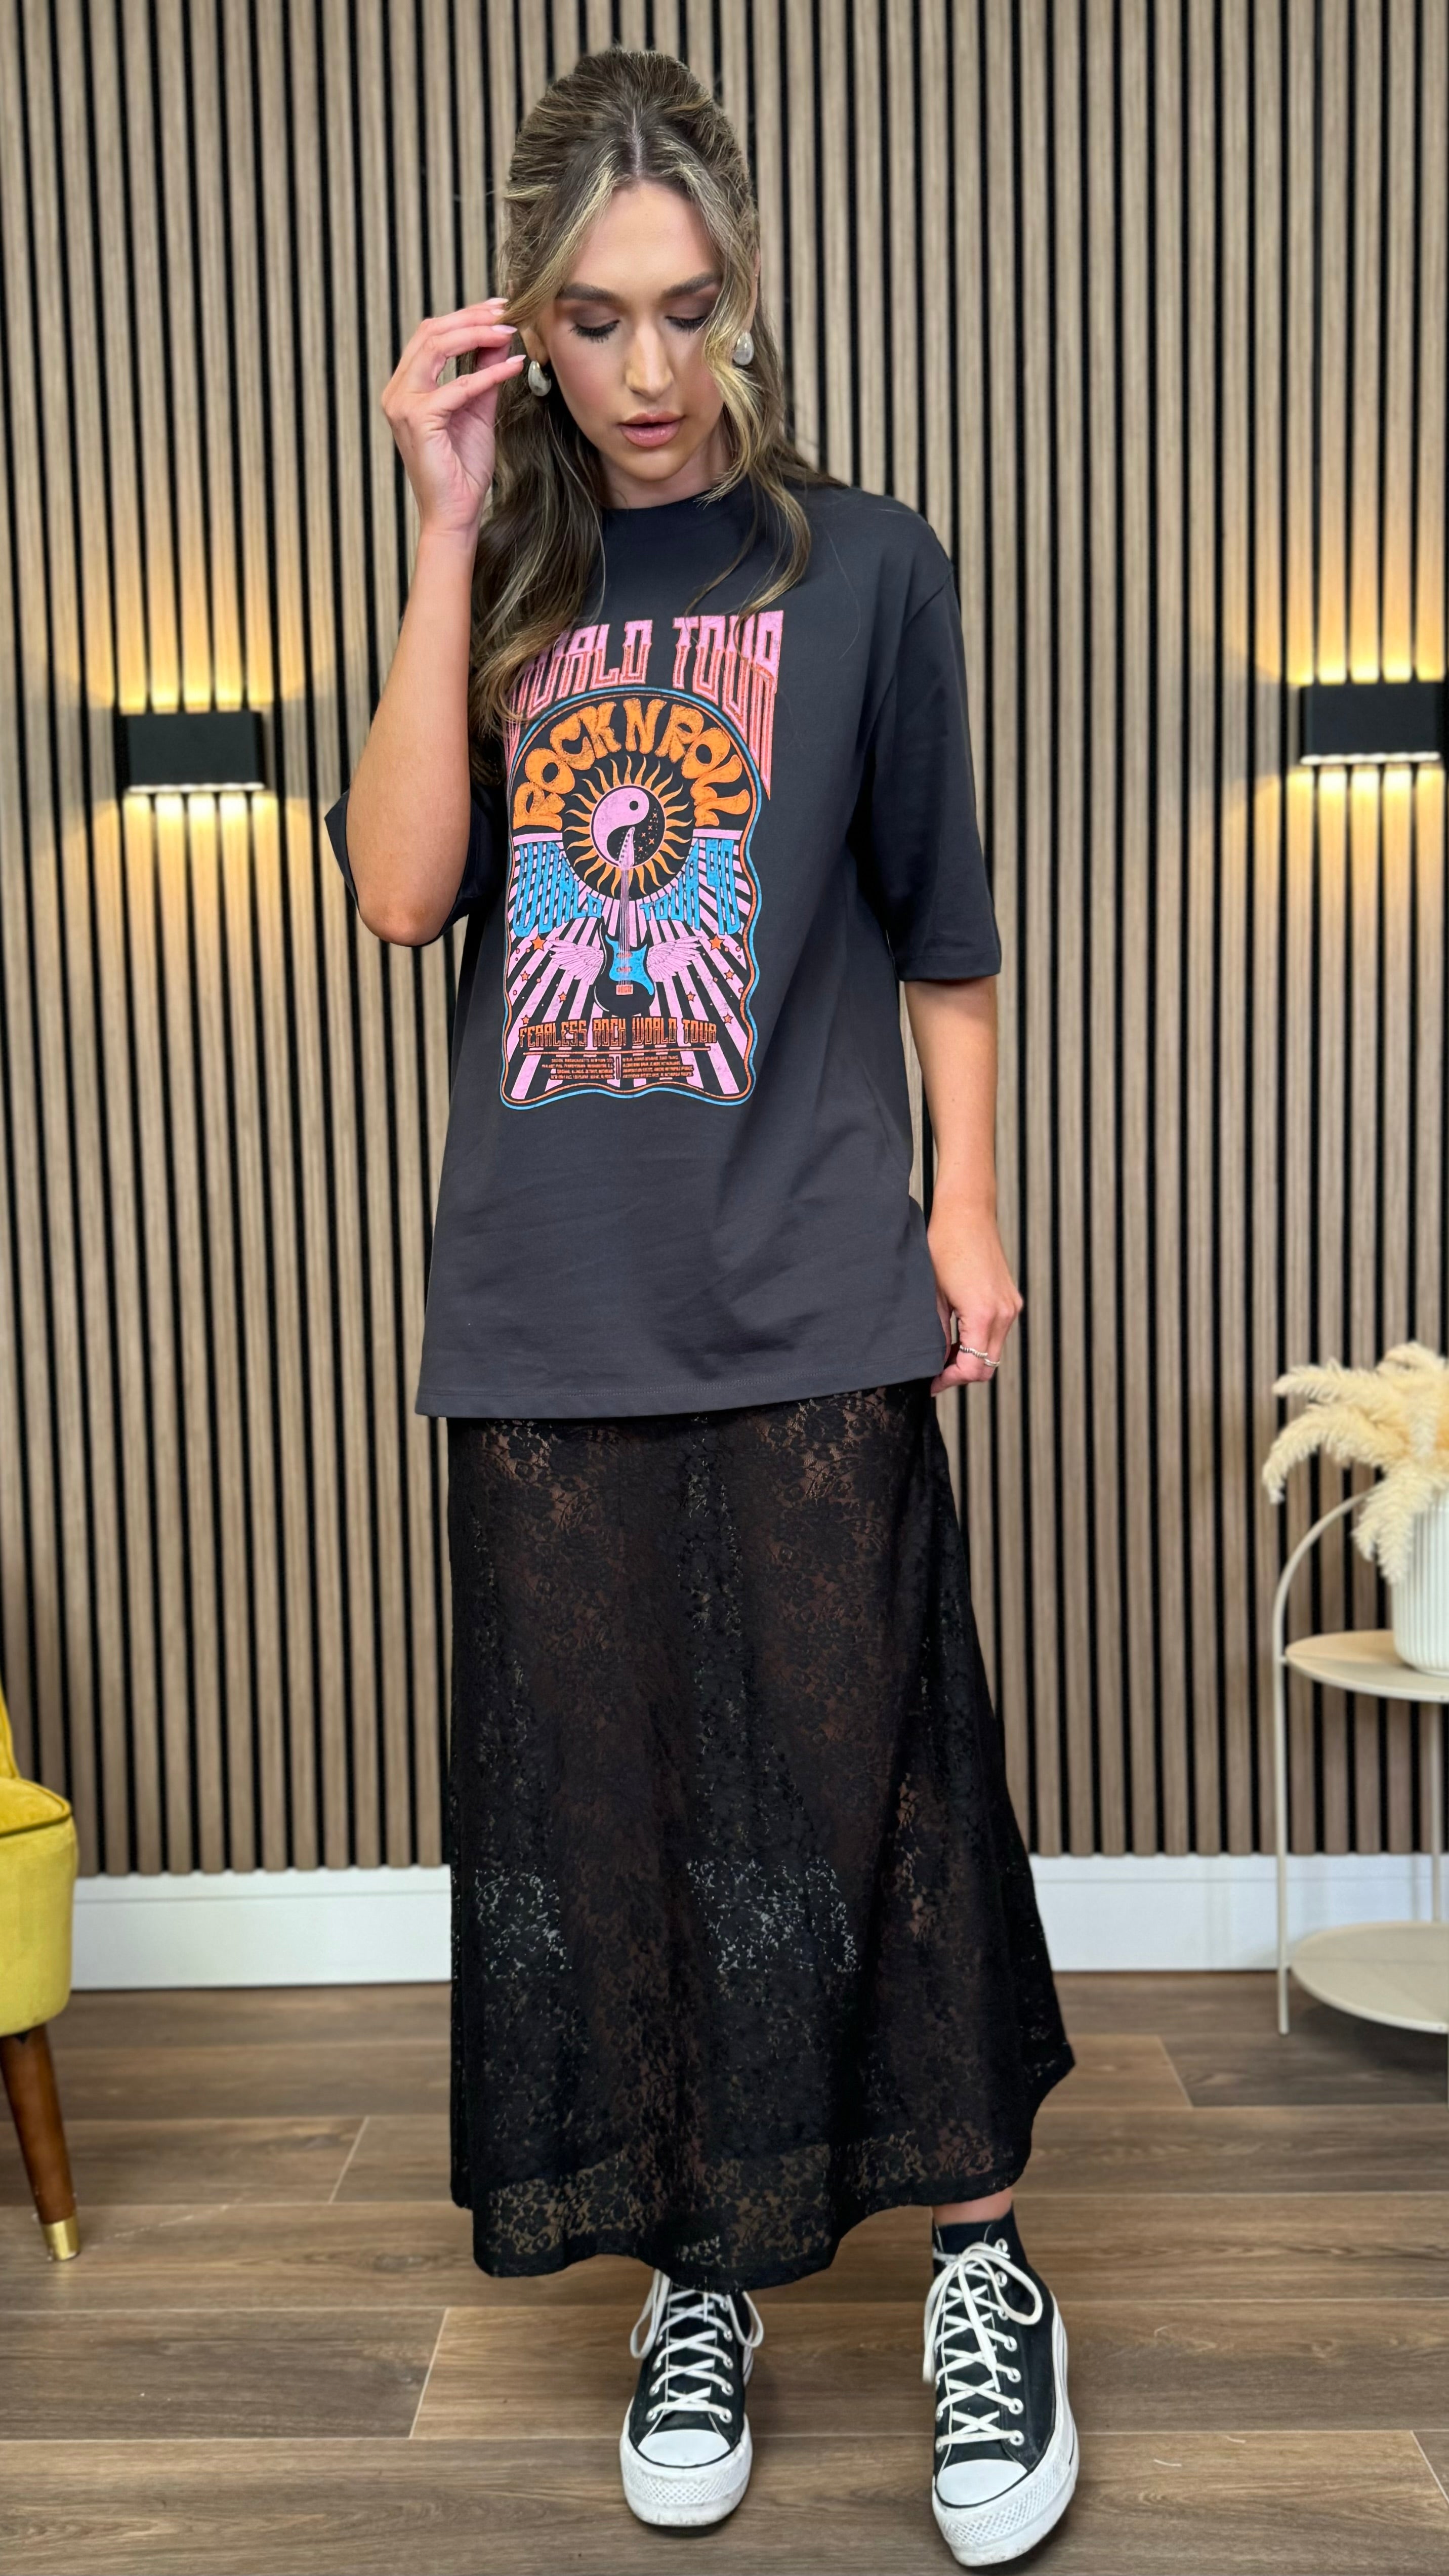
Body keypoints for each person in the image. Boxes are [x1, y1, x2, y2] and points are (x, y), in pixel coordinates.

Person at [324, 45, 1078, 2570]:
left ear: (742, 291)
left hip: (806, 1285)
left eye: (687, 309)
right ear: (520, 325)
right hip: (549, 1310)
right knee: (622, 1812)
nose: (647, 372)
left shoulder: (863, 568)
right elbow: (402, 892)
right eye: (592, 320)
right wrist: (444, 531)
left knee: (875, 1781)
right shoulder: (505, 575)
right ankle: (701, 2274)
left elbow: (943, 930)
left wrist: (963, 1210)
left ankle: (982, 2276)